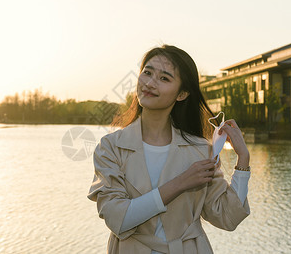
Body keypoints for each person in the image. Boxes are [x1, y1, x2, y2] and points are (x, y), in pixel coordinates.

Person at [87, 45, 251, 254]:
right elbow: (117, 218)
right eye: (147, 72)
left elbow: (228, 218)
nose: (149, 83)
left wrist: (243, 161)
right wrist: (181, 183)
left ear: (182, 94)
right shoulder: (110, 147)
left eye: (164, 78)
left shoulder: (200, 150)